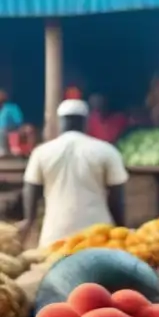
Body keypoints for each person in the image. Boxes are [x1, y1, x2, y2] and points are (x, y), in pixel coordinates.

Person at [21, 98, 128, 248]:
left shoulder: (41, 152)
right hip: (97, 238)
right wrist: (121, 228)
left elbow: (31, 191)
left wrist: (29, 221)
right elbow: (117, 197)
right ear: (86, 121)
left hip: (54, 237)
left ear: (60, 122)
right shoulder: (106, 151)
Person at [0, 89, 24, 156]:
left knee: (1, 131)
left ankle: (2, 150)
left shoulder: (11, 108)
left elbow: (18, 121)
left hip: (10, 129)